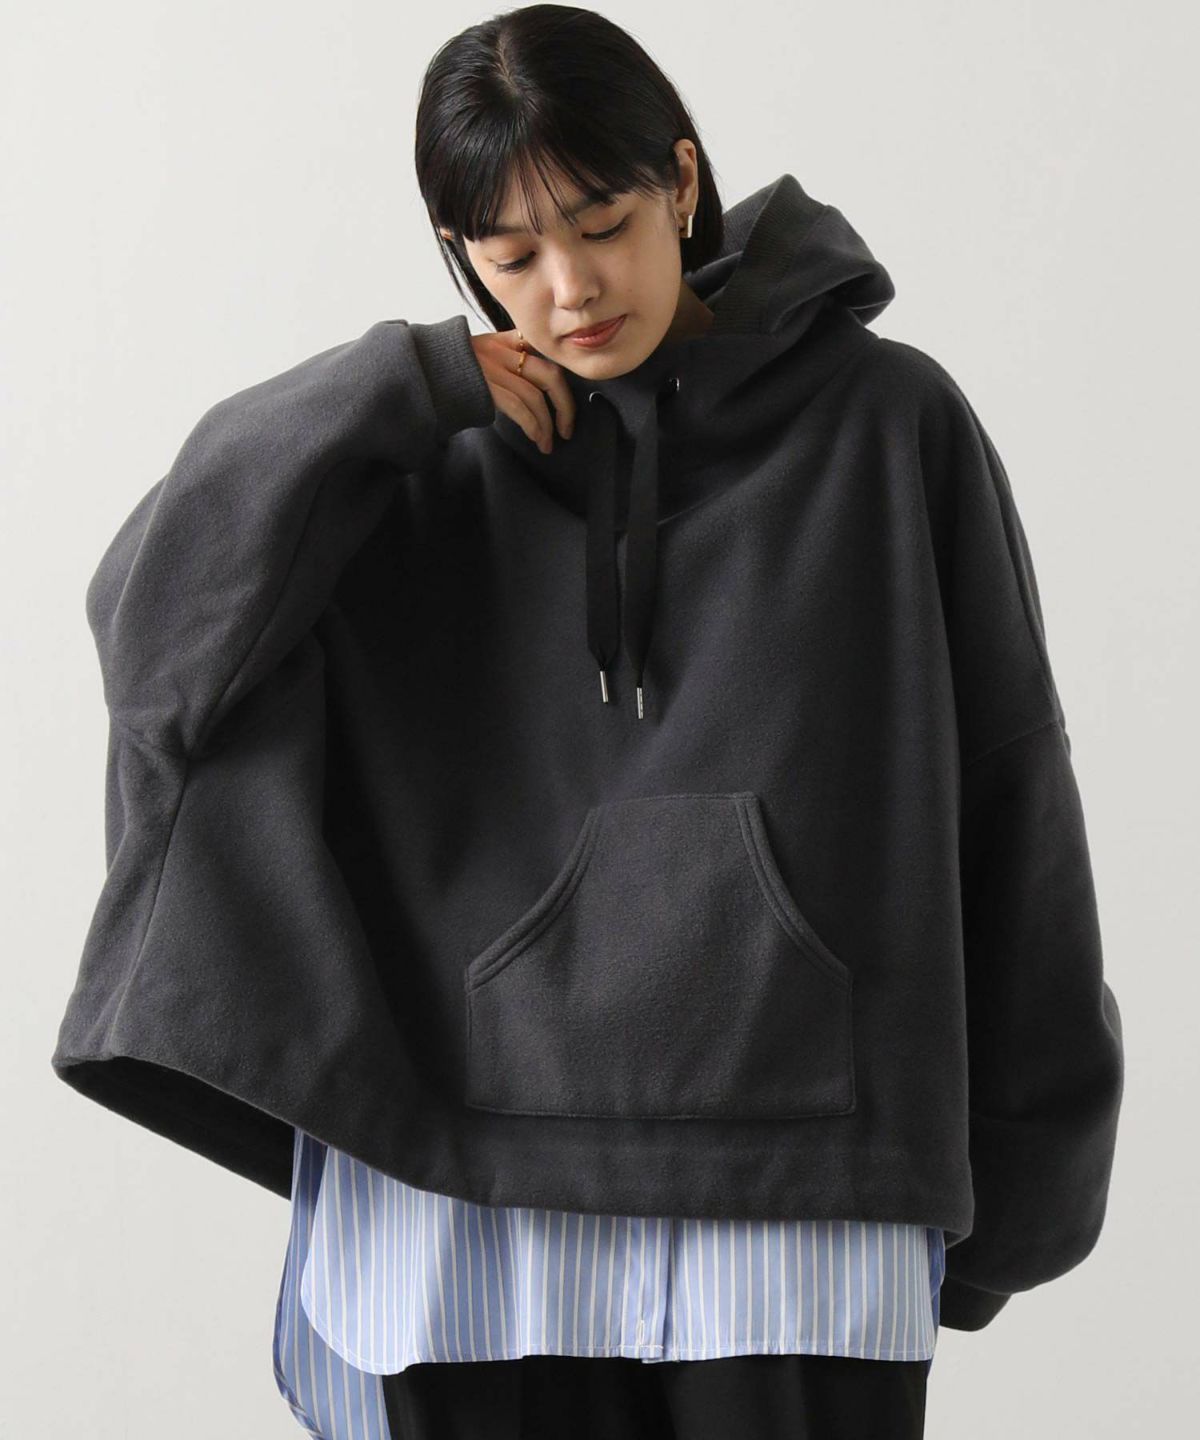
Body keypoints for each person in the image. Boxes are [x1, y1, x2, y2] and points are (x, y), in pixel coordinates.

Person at [51, 6, 1124, 1439]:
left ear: (681, 181)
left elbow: (1009, 789)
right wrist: (400, 386)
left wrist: (1029, 1173)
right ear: (459, 255)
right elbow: (159, 651)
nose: (569, 291)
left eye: (603, 225)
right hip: (461, 1194)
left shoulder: (887, 425)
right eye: (510, 258)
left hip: (802, 1190)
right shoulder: (411, 459)